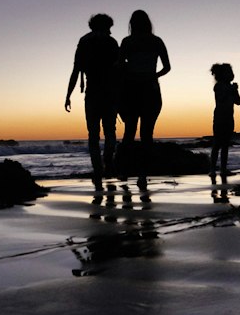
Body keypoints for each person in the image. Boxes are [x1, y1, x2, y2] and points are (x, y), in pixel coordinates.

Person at [65, 13, 120, 190]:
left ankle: (98, 169)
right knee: (110, 131)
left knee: (93, 134)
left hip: (92, 92)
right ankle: (108, 163)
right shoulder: (111, 43)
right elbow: (120, 69)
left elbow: (76, 70)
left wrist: (68, 94)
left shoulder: (84, 41)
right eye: (109, 27)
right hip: (110, 92)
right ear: (105, 26)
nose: (111, 31)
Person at [118, 10, 170, 188]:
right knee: (147, 134)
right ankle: (142, 174)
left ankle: (124, 171)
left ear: (132, 23)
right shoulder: (156, 41)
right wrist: (152, 75)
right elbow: (167, 67)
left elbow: (118, 66)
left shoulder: (127, 42)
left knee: (129, 133)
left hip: (131, 90)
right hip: (151, 90)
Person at [209, 63, 240, 181]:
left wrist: (235, 91)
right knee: (217, 144)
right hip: (219, 118)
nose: (232, 75)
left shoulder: (230, 87)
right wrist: (231, 90)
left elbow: (238, 102)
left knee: (225, 145)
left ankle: (223, 169)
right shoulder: (218, 86)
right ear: (222, 75)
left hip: (229, 118)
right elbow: (221, 98)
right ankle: (212, 169)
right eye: (229, 72)